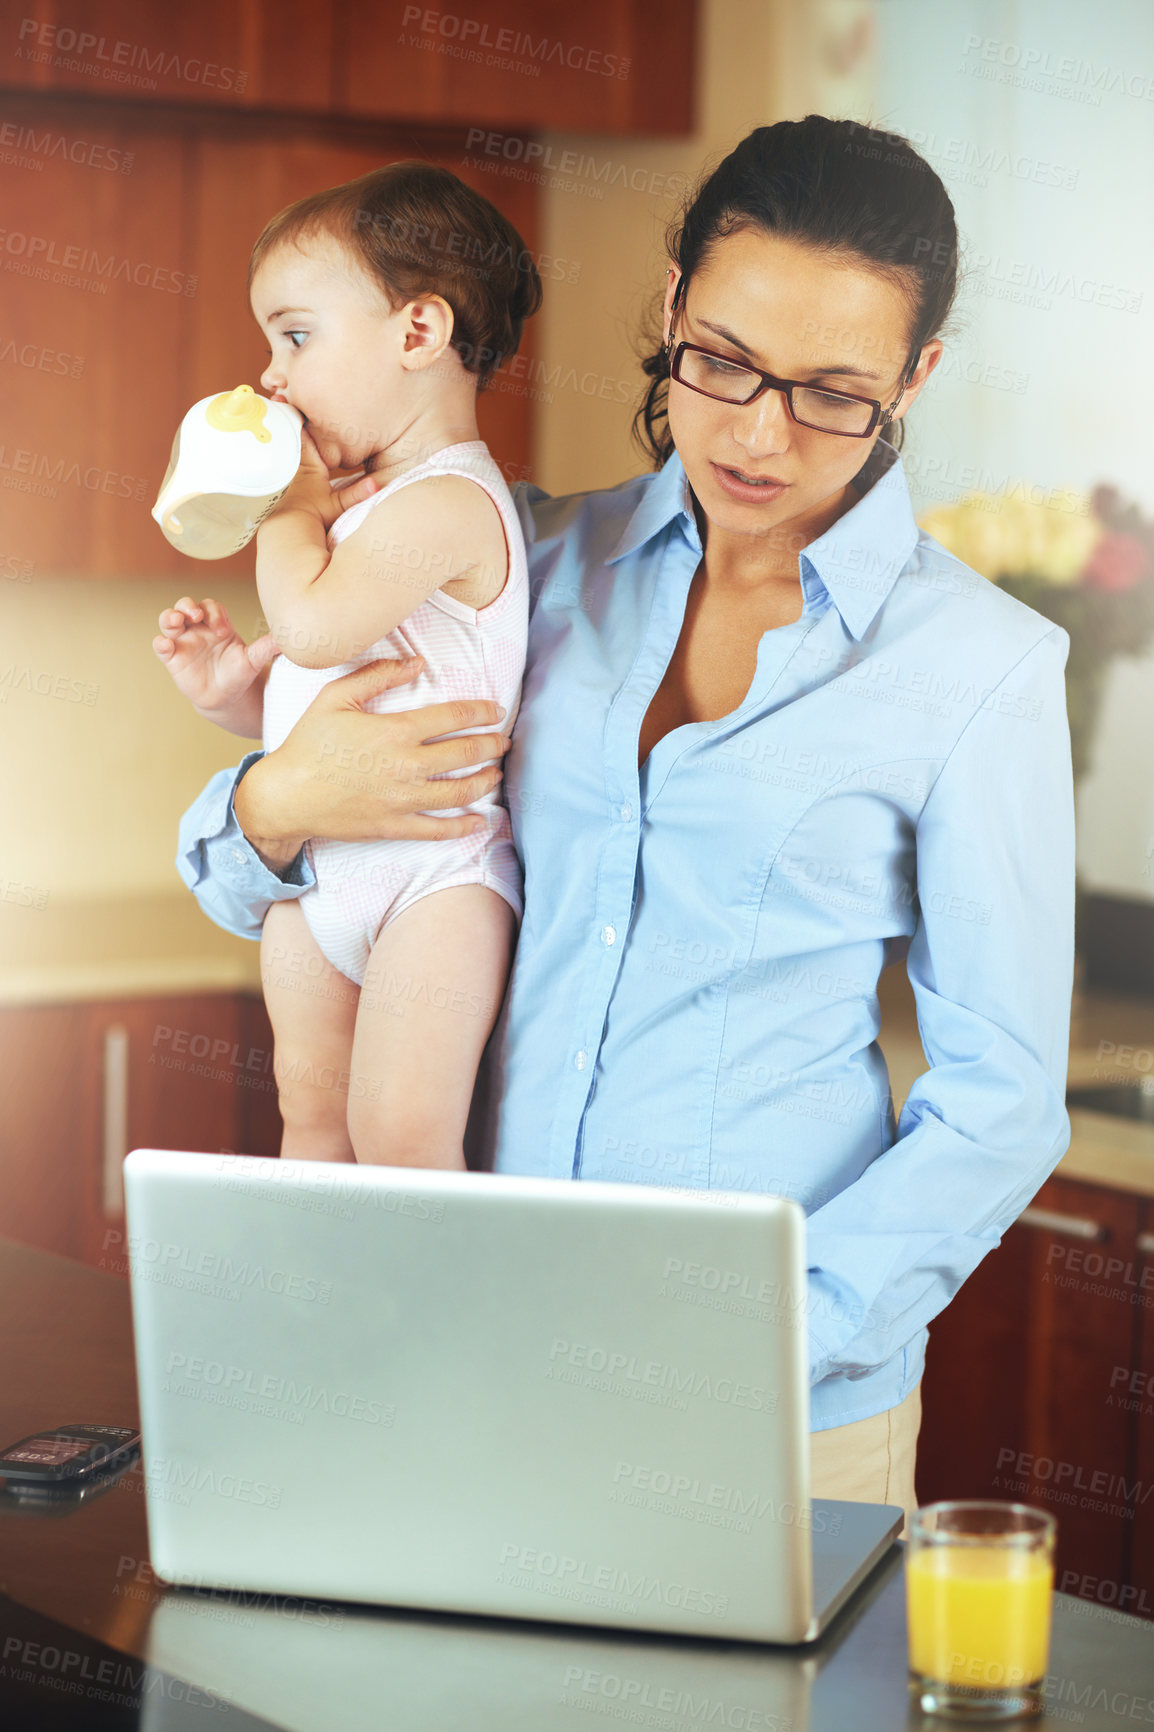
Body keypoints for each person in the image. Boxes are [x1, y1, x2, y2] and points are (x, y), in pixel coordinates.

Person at [173, 117, 1075, 1516]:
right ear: (667, 316)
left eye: (833, 391)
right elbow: (250, 865)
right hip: (473, 1354)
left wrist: (769, 1343)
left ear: (916, 378)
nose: (760, 434)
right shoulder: (531, 559)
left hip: (770, 1410)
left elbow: (1000, 1101)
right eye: (720, 361)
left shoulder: (980, 671)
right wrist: (276, 801)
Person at [155, 163, 541, 1170]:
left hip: (434, 881)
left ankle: (430, 1324)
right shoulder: (361, 511)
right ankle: (316, 1321)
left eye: (294, 334)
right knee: (311, 1120)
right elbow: (328, 693)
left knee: (401, 1131)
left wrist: (286, 506)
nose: (270, 375)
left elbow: (320, 632)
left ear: (418, 333)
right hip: (321, 873)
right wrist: (237, 695)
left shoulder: (449, 502)